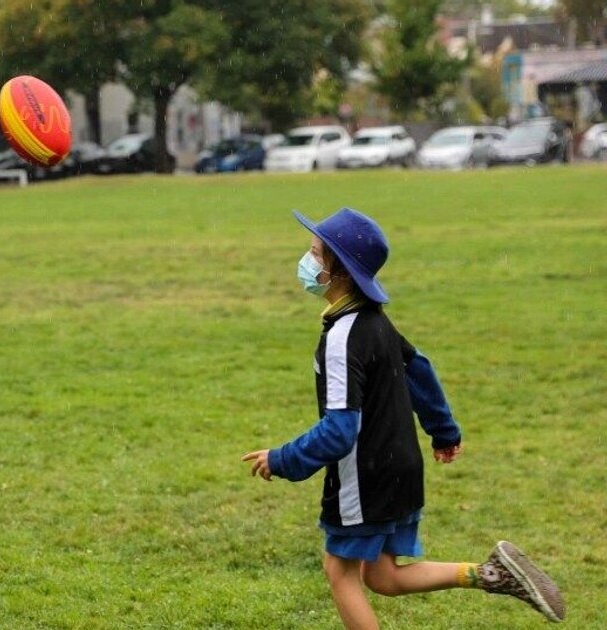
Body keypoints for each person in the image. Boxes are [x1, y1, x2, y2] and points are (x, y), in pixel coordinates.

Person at [241, 208, 565, 629]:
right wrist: (443, 430)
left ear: (338, 269)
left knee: (340, 574)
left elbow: (339, 431)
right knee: (383, 576)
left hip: (367, 475)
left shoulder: (342, 337)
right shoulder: (376, 321)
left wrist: (283, 458)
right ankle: (491, 574)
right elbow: (419, 369)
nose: (306, 261)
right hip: (402, 468)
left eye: (315, 254)